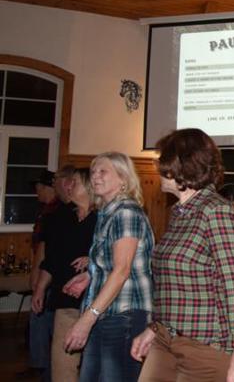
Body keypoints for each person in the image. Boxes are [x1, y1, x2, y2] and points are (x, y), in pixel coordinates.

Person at [131, 128, 234, 382]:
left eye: (163, 160)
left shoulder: (215, 212)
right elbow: (171, 285)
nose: (157, 166)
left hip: (205, 346)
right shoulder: (179, 213)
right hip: (166, 338)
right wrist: (154, 328)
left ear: (183, 165)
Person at [63, 152, 154, 382]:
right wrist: (90, 275)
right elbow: (114, 264)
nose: (95, 176)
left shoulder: (125, 212)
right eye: (93, 172)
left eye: (103, 171)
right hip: (108, 311)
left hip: (124, 314)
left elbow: (121, 271)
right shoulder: (108, 212)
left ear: (123, 178)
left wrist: (87, 319)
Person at [32, 168, 97, 382]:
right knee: (62, 364)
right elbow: (51, 259)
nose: (68, 186)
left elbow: (117, 258)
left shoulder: (103, 218)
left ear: (89, 187)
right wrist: (40, 288)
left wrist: (93, 260)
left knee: (92, 367)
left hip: (95, 304)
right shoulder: (62, 217)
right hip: (64, 301)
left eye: (74, 182)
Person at [26, 167, 72, 382]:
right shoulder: (47, 211)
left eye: (39, 187)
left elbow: (47, 248)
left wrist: (37, 275)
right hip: (51, 274)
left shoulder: (57, 212)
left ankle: (44, 368)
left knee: (46, 322)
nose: (37, 192)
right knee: (44, 322)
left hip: (55, 277)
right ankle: (43, 367)